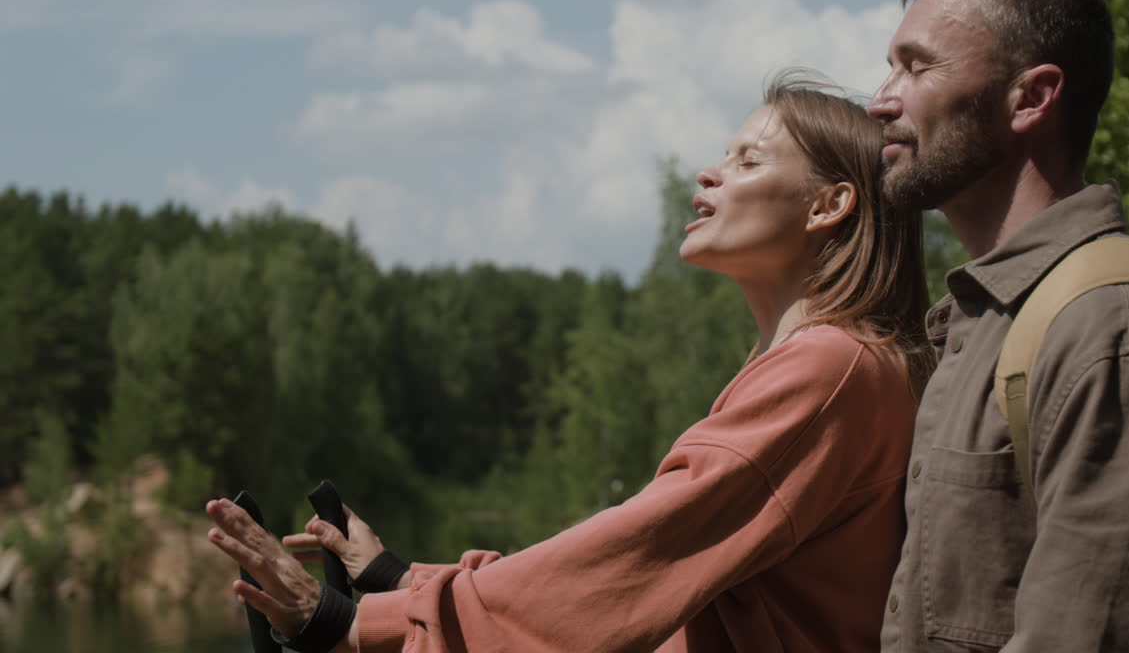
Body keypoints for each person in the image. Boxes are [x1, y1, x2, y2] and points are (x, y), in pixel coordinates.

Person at [206, 71, 935, 653]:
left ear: (828, 205)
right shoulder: (837, 363)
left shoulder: (829, 371)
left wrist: (350, 625)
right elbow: (641, 580)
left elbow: (632, 562)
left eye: (747, 160)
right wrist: (401, 581)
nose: (708, 176)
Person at [867, 0, 1129, 652]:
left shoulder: (1116, 337)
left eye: (918, 65)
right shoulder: (988, 322)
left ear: (1032, 98)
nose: (882, 99)